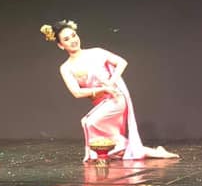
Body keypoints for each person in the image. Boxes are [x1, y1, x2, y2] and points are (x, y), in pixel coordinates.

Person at [41, 19, 179, 162]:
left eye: (74, 35)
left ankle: (97, 155)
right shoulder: (66, 68)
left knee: (89, 122)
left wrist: (111, 83)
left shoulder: (96, 52)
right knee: (113, 139)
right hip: (101, 103)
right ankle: (154, 152)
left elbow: (122, 62)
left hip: (116, 99)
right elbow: (77, 92)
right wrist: (103, 89)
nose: (73, 40)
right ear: (60, 45)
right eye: (66, 39)